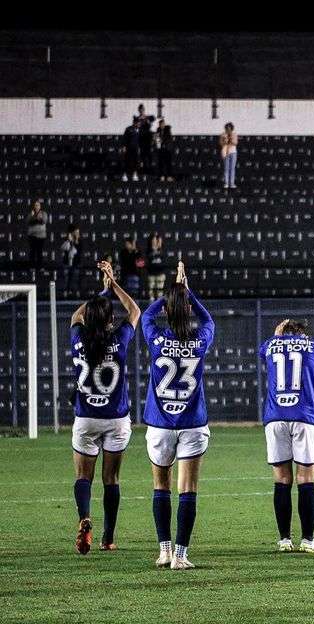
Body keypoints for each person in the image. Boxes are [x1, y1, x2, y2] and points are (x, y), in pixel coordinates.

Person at [141, 259, 215, 570]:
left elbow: (146, 314)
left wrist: (172, 293)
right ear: (186, 310)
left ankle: (164, 551)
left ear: (168, 311)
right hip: (192, 423)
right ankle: (181, 556)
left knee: (161, 486)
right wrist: (187, 293)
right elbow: (208, 318)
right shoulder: (199, 341)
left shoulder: (156, 338)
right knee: (188, 489)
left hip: (160, 424)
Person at [70, 260, 141, 554]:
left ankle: (85, 518)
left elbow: (78, 313)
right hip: (116, 419)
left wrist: (101, 291)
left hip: (86, 418)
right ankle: (108, 538)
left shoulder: (78, 338)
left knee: (83, 477)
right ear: (110, 320)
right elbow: (135, 311)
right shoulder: (120, 340)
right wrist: (113, 286)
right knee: (111, 479)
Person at [260, 318, 314, 554]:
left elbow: (264, 352)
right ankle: (308, 540)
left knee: (282, 479)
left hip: (275, 418)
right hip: (305, 417)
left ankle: (284, 539)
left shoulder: (271, 345)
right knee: (306, 479)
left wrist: (276, 337)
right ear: (303, 334)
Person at [60, 224, 83, 297]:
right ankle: (66, 293)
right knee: (66, 279)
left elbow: (78, 251)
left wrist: (76, 241)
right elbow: (64, 249)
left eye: (78, 232)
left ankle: (77, 293)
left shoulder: (79, 241)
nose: (77, 234)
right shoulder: (66, 240)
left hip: (76, 262)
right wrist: (69, 241)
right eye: (76, 232)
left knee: (76, 279)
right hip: (67, 262)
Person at [26, 199, 49, 271]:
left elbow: (44, 221)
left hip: (41, 236)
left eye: (38, 205)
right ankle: (32, 267)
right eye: (35, 205)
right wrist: (33, 217)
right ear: (33, 206)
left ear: (40, 206)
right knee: (32, 252)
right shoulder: (31, 213)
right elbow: (28, 221)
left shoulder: (44, 213)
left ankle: (40, 267)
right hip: (32, 236)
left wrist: (39, 218)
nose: (36, 207)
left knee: (39, 252)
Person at [146, 233, 167, 300]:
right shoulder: (148, 250)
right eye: (153, 240)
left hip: (160, 273)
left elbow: (164, 259)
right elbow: (147, 259)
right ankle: (151, 306)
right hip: (151, 274)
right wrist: (153, 250)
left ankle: (159, 307)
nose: (155, 242)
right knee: (151, 293)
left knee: (160, 293)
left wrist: (158, 248)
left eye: (156, 240)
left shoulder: (162, 250)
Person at [219, 122, 239, 189]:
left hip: (233, 152)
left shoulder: (234, 134)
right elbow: (220, 143)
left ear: (231, 129)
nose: (228, 130)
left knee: (232, 168)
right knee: (226, 168)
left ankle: (232, 183)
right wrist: (225, 140)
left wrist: (230, 139)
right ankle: (226, 183)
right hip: (225, 152)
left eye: (229, 129)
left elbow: (235, 143)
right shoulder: (223, 134)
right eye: (227, 129)